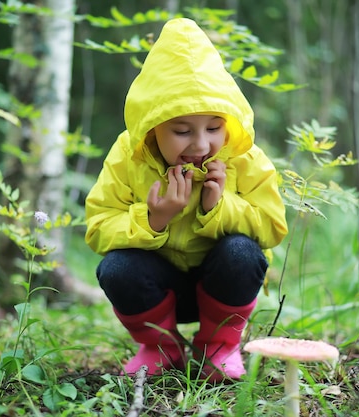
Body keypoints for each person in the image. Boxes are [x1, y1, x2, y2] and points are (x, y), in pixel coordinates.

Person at [85, 17, 288, 382]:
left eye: (213, 127)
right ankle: (161, 347)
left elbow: (273, 227)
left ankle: (217, 348)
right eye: (181, 131)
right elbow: (98, 226)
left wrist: (219, 207)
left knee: (242, 252)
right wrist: (153, 218)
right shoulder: (127, 155)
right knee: (117, 268)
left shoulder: (243, 157)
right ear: (152, 127)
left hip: (220, 287)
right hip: (157, 290)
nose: (200, 144)